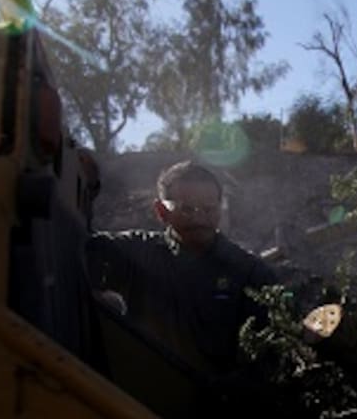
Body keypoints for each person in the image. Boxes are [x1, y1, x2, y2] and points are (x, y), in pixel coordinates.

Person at [87, 160, 277, 375]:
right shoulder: (137, 253)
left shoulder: (248, 272)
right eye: (187, 209)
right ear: (161, 211)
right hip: (144, 399)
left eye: (208, 209)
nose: (199, 218)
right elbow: (79, 245)